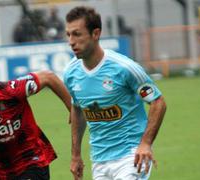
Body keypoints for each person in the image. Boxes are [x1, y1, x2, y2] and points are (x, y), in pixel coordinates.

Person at [63, 6, 167, 180]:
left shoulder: (124, 68)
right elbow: (77, 110)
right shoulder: (70, 73)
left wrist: (145, 144)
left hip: (131, 155)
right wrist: (75, 156)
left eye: (77, 34)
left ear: (96, 34)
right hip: (99, 160)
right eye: (68, 35)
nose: (71, 41)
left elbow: (158, 102)